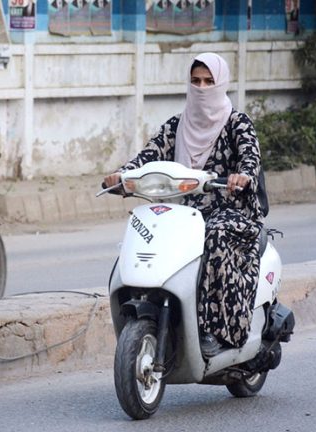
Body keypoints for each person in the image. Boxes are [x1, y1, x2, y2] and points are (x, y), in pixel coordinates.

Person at [103, 52, 264, 357]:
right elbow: (148, 156)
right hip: (186, 214)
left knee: (214, 236)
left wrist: (241, 177)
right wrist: (123, 175)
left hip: (233, 215)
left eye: (208, 81)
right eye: (195, 81)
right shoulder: (177, 125)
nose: (201, 88)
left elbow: (250, 161)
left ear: (221, 83)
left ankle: (217, 330)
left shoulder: (237, 124)